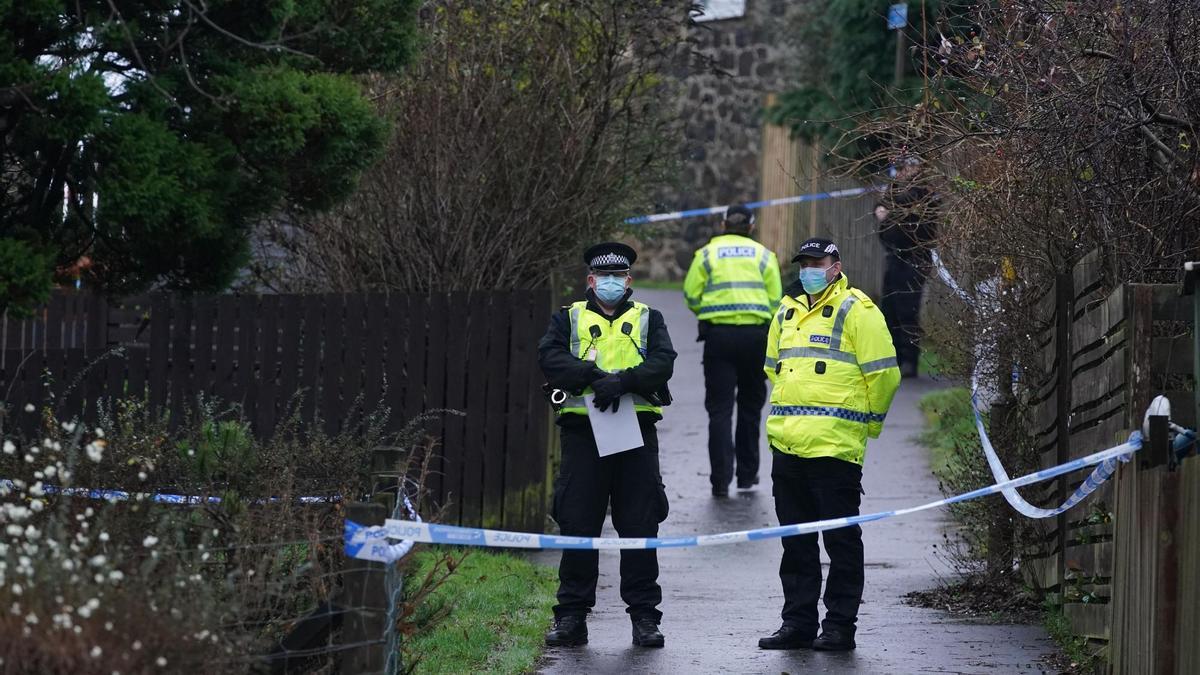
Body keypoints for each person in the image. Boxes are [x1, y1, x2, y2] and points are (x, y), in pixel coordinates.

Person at [757, 237, 901, 652]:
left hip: (835, 451)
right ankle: (798, 623)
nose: (809, 270)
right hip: (787, 448)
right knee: (796, 543)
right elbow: (774, 368)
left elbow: (885, 376)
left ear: (836, 266)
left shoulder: (858, 310)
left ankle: (839, 627)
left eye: (817, 262)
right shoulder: (786, 311)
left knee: (840, 543)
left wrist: (866, 427)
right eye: (804, 263)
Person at [538, 242, 677, 649]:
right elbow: (550, 357)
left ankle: (645, 619)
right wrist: (593, 375)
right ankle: (571, 618)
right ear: (591, 280)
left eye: (619, 276)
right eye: (605, 277)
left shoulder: (650, 318)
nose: (612, 283)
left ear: (629, 281)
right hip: (583, 436)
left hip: (636, 433)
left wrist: (625, 381)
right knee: (579, 525)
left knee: (639, 525)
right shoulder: (568, 317)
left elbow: (664, 362)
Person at [683, 204, 782, 497]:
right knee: (751, 409)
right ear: (751, 227)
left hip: (719, 338)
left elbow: (690, 294)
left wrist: (709, 313)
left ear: (723, 225)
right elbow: (776, 300)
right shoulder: (764, 256)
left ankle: (720, 479)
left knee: (720, 410)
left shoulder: (706, 255)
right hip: (755, 338)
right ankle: (747, 477)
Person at [874, 157, 938, 377]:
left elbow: (909, 208)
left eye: (907, 167)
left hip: (915, 257)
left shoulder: (925, 192)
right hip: (894, 256)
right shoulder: (893, 190)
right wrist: (881, 208)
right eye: (900, 168)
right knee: (889, 308)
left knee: (907, 310)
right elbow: (882, 205)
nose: (903, 172)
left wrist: (888, 207)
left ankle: (909, 360)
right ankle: (894, 359)